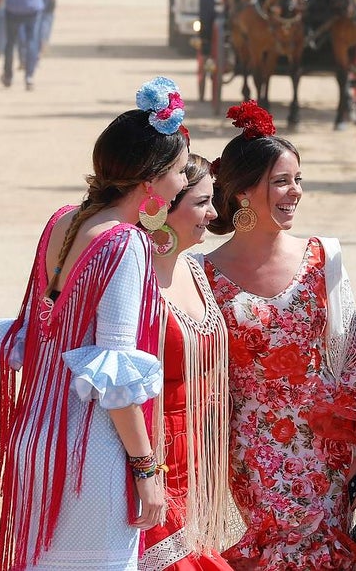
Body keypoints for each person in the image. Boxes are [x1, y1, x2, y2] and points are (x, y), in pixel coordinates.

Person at [0, 79, 191, 571]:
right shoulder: (126, 243)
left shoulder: (62, 222)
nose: (183, 183)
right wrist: (147, 471)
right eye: (181, 171)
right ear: (151, 178)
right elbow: (115, 381)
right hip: (89, 455)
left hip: (37, 439)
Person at [202, 103, 356, 568]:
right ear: (241, 193)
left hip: (327, 453)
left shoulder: (324, 256)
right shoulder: (202, 274)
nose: (295, 191)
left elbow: (353, 363)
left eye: (298, 179)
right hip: (248, 455)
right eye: (281, 181)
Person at [142, 152, 234, 571]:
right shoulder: (136, 277)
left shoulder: (197, 270)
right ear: (161, 207)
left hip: (198, 456)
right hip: (152, 455)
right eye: (201, 203)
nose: (213, 214)